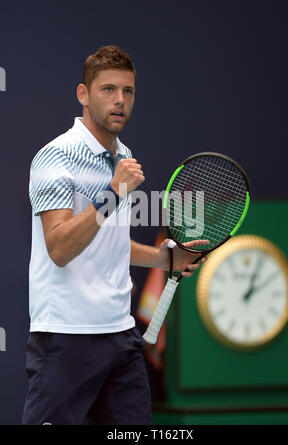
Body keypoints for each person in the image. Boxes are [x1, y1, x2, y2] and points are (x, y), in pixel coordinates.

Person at [22, 45, 207, 425]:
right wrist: (113, 194)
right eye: (108, 89)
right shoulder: (55, 157)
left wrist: (163, 258)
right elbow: (59, 247)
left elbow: (108, 244)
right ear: (83, 94)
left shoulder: (123, 155)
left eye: (128, 91)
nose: (120, 100)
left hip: (120, 338)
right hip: (64, 338)